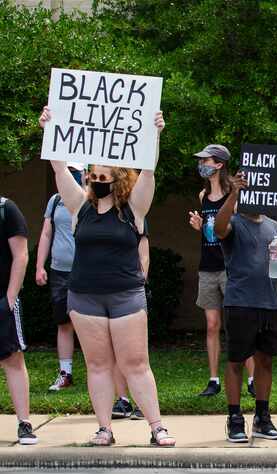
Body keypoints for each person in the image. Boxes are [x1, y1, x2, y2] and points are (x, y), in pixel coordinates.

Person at [38, 106, 175, 447]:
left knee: (135, 363)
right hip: (84, 296)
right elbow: (58, 167)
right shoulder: (78, 207)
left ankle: (157, 426)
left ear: (117, 180)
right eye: (92, 178)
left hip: (126, 294)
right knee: (98, 364)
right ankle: (104, 429)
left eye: (103, 178)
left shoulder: (134, 209)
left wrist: (153, 135)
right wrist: (50, 127)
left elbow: (148, 172)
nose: (96, 183)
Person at [214, 171, 277, 443]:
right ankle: (234, 418)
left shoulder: (273, 225)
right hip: (240, 301)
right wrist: (233, 193)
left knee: (265, 361)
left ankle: (262, 417)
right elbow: (218, 230)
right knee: (235, 361)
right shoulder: (233, 220)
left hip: (269, 302)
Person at [188, 145, 255, 398]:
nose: (201, 164)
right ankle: (214, 379)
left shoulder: (234, 194)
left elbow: (236, 229)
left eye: (205, 160)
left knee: (239, 324)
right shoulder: (203, 194)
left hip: (231, 267)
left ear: (219, 164)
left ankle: (251, 379)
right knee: (212, 325)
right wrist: (199, 227)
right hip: (207, 267)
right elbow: (210, 231)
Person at [36, 163, 86, 392]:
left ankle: (98, 371)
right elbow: (47, 233)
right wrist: (40, 266)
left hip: (86, 271)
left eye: (76, 171)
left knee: (88, 323)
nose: (72, 175)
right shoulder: (55, 200)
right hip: (59, 270)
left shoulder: (91, 198)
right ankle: (65, 373)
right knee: (63, 322)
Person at [0, 196, 37, 444]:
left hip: (2, 299)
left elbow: (21, 255)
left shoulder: (6, 209)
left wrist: (10, 298)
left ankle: (24, 423)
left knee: (12, 359)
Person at [112, 222, 151, 421]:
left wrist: (139, 283)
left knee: (135, 354)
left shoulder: (134, 214)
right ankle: (123, 400)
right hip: (104, 289)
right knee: (113, 351)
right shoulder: (93, 214)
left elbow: (144, 254)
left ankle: (141, 404)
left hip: (130, 290)